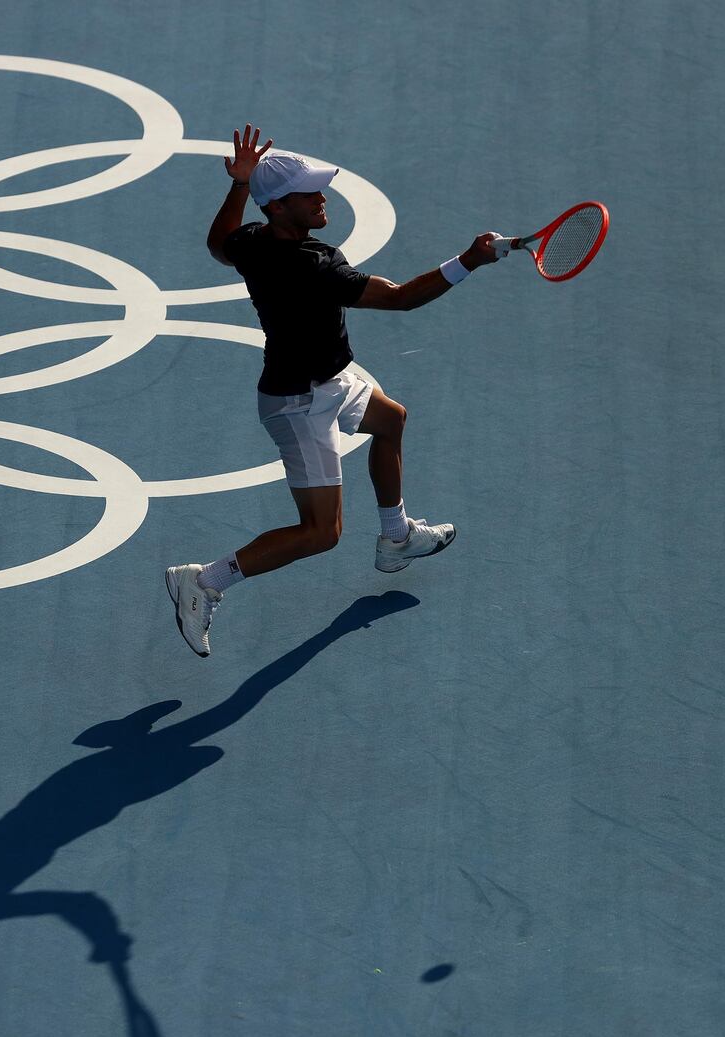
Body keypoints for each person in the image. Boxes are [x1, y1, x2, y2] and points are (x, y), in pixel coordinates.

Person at [165, 125, 504, 657]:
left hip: (335, 378)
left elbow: (218, 245)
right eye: (309, 192)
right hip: (299, 405)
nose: (323, 196)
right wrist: (469, 260)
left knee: (391, 419)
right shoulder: (312, 265)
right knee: (321, 533)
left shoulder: (254, 242)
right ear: (278, 207)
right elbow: (400, 300)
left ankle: (396, 537)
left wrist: (239, 184)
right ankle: (205, 580)